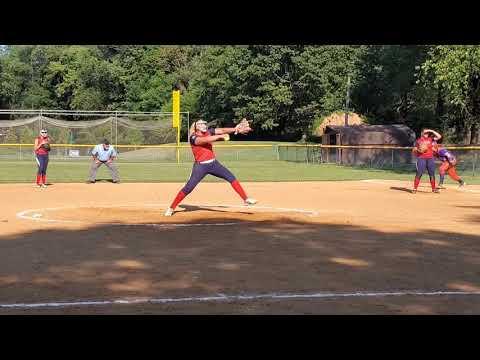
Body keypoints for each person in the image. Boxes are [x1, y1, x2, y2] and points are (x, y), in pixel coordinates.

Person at [164, 118, 257, 216]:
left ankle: (246, 199)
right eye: (201, 124)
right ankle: (171, 207)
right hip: (200, 167)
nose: (204, 125)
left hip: (214, 164)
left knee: (231, 177)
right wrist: (220, 137)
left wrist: (235, 129)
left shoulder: (208, 131)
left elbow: (221, 130)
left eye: (204, 124)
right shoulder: (193, 137)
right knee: (188, 188)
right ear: (197, 127)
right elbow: (206, 140)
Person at [411, 128, 442, 194]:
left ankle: (433, 189)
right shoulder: (418, 141)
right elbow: (414, 150)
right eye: (425, 133)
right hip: (421, 158)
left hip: (430, 159)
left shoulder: (430, 139)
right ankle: (414, 188)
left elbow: (439, 136)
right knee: (419, 173)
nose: (427, 134)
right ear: (422, 133)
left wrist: (431, 131)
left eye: (428, 133)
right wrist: (419, 150)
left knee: (432, 174)